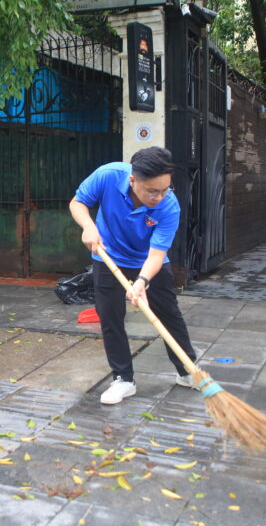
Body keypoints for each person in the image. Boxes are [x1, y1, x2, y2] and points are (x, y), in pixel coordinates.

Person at [69, 146, 198, 404]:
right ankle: (123, 379)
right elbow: (78, 202)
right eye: (152, 191)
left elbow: (156, 255)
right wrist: (88, 225)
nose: (159, 197)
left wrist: (141, 282)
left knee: (169, 314)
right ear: (132, 180)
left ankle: (187, 371)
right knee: (110, 317)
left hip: (148, 261)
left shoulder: (168, 206)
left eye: (165, 189)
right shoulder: (107, 175)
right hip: (107, 257)